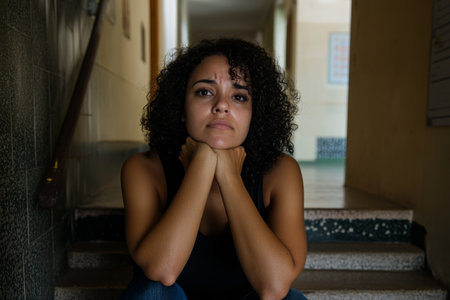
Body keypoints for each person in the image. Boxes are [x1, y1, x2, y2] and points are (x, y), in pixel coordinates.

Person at [120, 38, 307, 300]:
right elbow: (163, 270)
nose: (221, 105)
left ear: (255, 114)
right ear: (181, 108)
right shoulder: (143, 169)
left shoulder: (281, 172)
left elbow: (274, 286)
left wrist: (229, 176)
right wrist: (202, 164)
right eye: (205, 92)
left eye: (239, 96)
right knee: (152, 292)